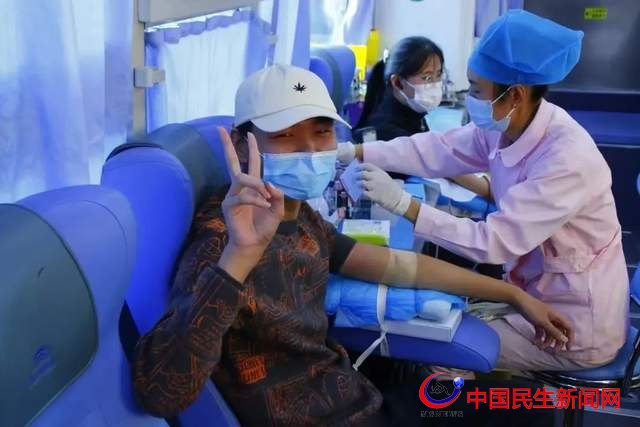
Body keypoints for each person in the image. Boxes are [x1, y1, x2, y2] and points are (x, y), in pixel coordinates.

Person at [132, 64, 568, 426]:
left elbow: (400, 267)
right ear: (243, 144)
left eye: (321, 133)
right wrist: (239, 257)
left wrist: (512, 294)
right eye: (284, 136)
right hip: (334, 416)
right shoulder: (222, 241)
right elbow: (161, 394)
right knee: (526, 410)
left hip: (356, 394)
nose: (309, 150)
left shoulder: (298, 215)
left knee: (516, 400)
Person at [338, 10, 628, 372]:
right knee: (438, 321)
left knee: (436, 355)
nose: (469, 99)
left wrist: (404, 204)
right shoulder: (509, 123)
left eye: (476, 90)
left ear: (515, 95)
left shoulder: (566, 159)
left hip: (570, 325)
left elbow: (493, 241)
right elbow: (439, 149)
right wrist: (357, 151)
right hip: (535, 294)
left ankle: (459, 399)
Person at [354, 36, 491, 199]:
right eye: (426, 78)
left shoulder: (411, 114)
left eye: (438, 75)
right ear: (397, 82)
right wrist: (492, 189)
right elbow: (443, 164)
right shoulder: (387, 129)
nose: (435, 84)